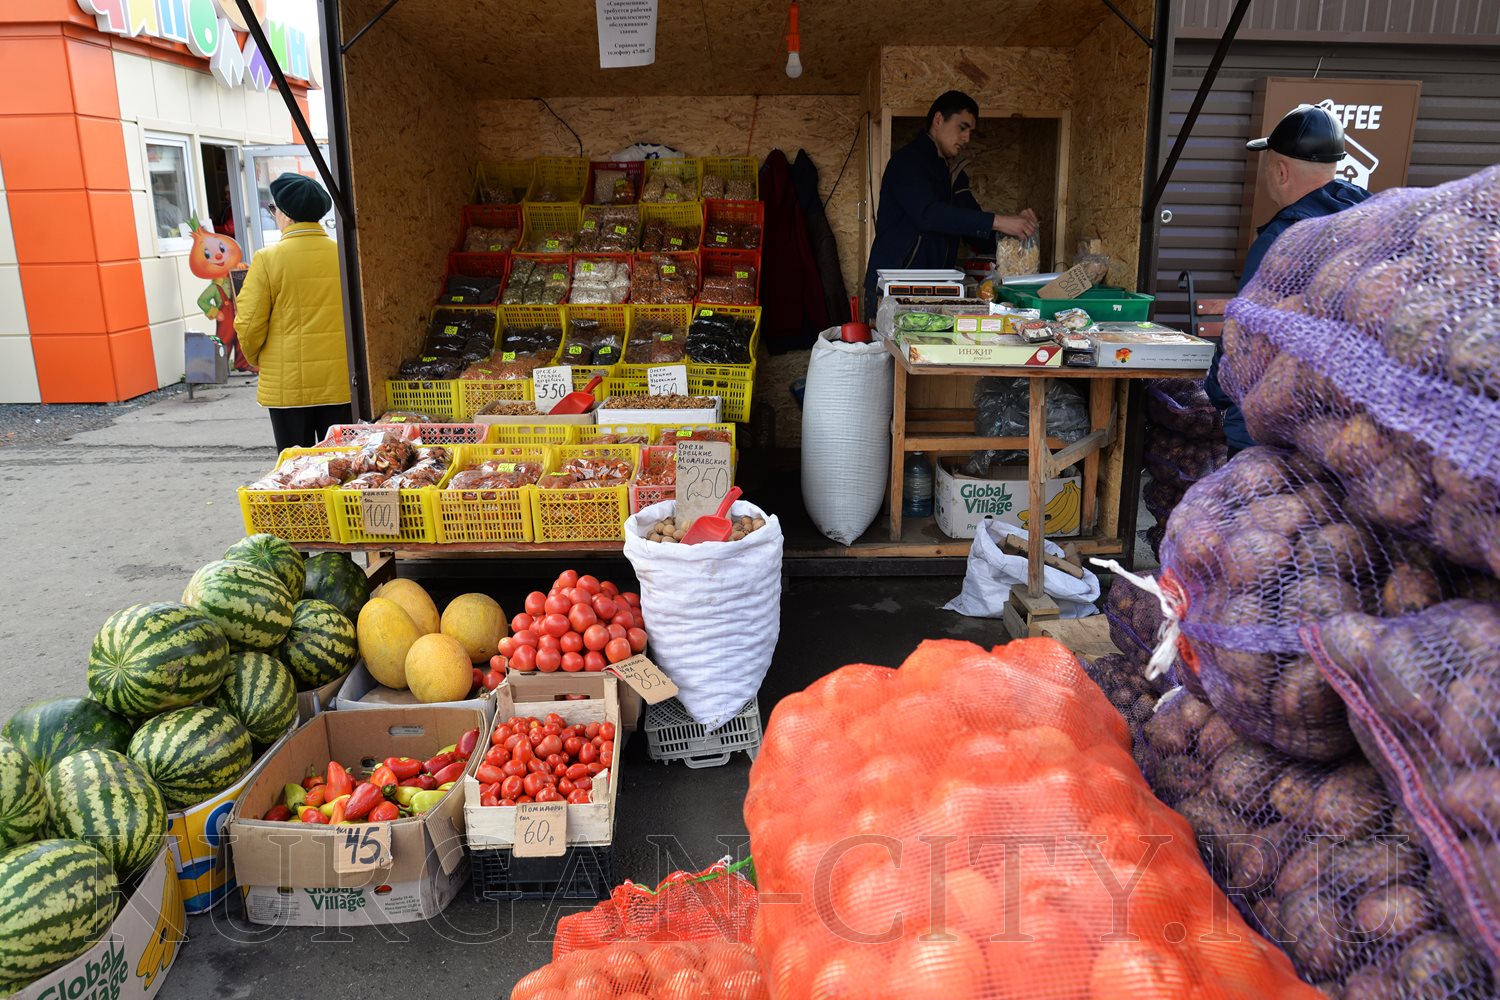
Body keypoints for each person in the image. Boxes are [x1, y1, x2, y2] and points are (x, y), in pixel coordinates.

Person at [1205, 104, 1371, 453]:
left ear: (1281, 171)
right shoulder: (1367, 221)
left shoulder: (1284, 239)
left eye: (1267, 165)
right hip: (1342, 431)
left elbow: (1245, 333)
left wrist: (1215, 393)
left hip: (1270, 428)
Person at [862, 90, 1038, 321]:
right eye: (962, 128)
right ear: (938, 120)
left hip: (936, 291)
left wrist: (1016, 231)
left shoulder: (954, 174)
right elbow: (928, 215)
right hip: (893, 289)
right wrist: (999, 221)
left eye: (970, 132)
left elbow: (976, 234)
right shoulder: (908, 162)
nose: (966, 138)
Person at [235, 173, 351, 451]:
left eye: (273, 209)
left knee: (295, 467)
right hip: (340, 384)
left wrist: (258, 358)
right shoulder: (344, 255)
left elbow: (248, 325)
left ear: (286, 214)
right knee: (342, 463)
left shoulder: (268, 259)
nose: (274, 215)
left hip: (287, 388)